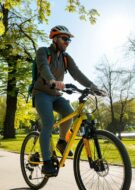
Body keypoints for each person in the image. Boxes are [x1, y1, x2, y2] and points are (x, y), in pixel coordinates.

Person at [32, 25, 106, 176]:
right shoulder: (43, 52)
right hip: (41, 93)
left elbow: (77, 73)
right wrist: (52, 80)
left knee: (69, 113)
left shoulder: (66, 58)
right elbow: (43, 68)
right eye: (65, 39)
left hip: (56, 95)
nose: (67, 42)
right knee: (48, 122)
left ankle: (61, 142)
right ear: (55, 38)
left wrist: (94, 87)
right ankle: (46, 162)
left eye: (69, 40)